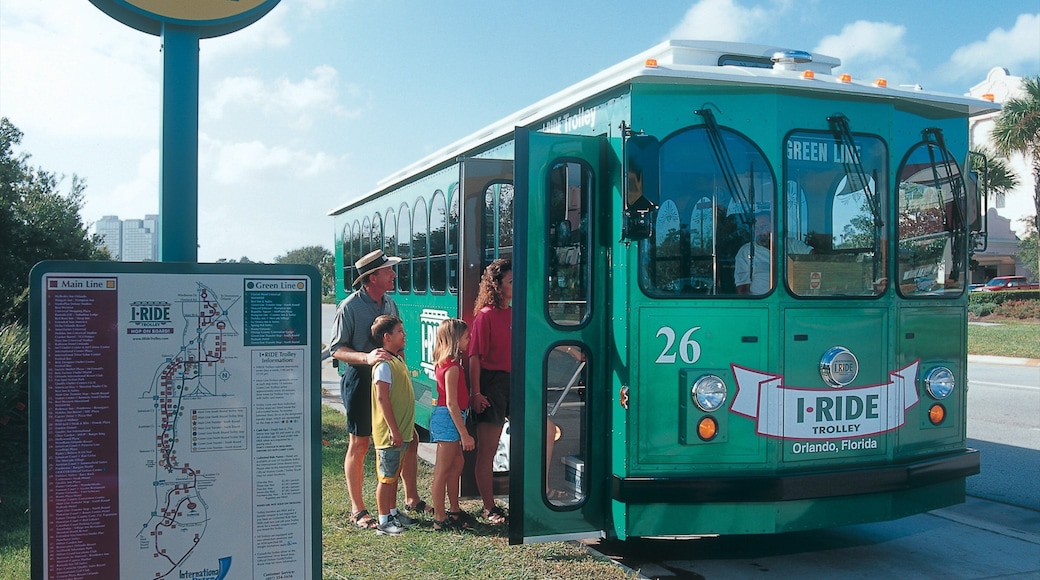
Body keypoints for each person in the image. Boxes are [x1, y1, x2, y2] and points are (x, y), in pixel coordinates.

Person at [328, 249, 429, 531]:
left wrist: (402, 371)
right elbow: (336, 349)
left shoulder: (390, 304)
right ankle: (358, 510)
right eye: (388, 271)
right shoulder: (349, 307)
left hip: (389, 380)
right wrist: (367, 358)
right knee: (360, 443)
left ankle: (410, 500)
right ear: (372, 277)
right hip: (360, 380)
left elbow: (398, 344)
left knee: (408, 438)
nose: (393, 275)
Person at [468, 258, 512, 525]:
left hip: (515, 382)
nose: (515, 286)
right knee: (488, 451)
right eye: (511, 281)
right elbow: (474, 357)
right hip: (491, 384)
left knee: (542, 432)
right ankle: (489, 507)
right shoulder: (484, 316)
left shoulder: (515, 313)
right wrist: (476, 393)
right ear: (497, 286)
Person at [369, 315, 415, 536]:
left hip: (401, 432)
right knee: (386, 478)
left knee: (394, 475)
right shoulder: (383, 366)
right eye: (399, 331)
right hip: (389, 435)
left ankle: (393, 512)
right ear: (387, 337)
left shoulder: (397, 360)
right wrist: (394, 430)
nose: (404, 335)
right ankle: (383, 521)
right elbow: (382, 398)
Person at [429, 318, 475, 531]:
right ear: (455, 340)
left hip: (450, 417)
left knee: (457, 464)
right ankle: (439, 518)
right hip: (449, 419)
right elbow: (451, 403)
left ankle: (454, 510)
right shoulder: (453, 367)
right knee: (443, 469)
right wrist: (464, 434)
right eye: (466, 337)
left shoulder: (445, 362)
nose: (469, 340)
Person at [734, 211, 812, 295]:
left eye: (764, 227)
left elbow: (816, 258)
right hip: (761, 300)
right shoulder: (746, 251)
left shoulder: (792, 244)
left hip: (794, 298)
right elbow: (742, 289)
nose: (759, 232)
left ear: (774, 227)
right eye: (756, 228)